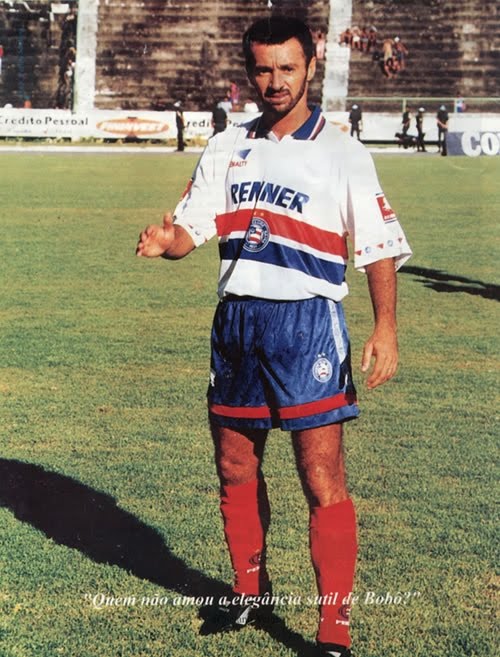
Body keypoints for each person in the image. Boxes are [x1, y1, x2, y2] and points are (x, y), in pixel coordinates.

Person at [136, 16, 412, 657]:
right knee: (235, 465)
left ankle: (333, 625)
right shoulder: (226, 146)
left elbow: (377, 248)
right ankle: (249, 591)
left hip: (307, 324)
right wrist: (167, 240)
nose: (276, 81)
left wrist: (386, 327)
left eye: (288, 67)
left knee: (320, 474)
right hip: (238, 324)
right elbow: (191, 230)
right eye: (263, 69)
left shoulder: (343, 152)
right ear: (249, 73)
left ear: (311, 66)